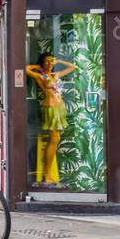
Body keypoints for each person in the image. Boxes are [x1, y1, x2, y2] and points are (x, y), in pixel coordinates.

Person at [25, 53, 76, 187]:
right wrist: (37, 66)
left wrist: (59, 60)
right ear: (43, 63)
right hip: (51, 108)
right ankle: (47, 175)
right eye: (47, 61)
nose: (50, 63)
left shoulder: (56, 75)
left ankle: (48, 174)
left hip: (60, 108)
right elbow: (26, 69)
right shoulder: (41, 76)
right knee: (53, 139)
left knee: (56, 139)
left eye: (51, 61)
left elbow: (72, 67)